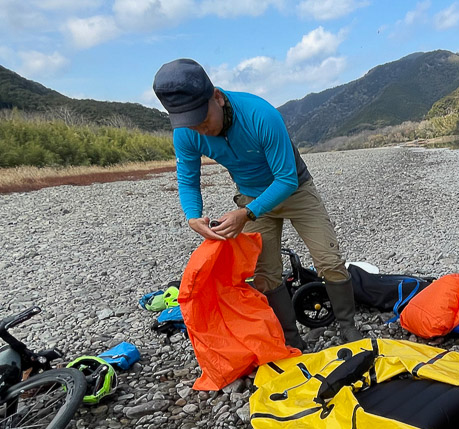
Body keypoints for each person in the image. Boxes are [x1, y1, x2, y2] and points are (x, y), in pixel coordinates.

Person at [152, 58, 362, 348]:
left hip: (296, 190)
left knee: (329, 261)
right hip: (250, 195)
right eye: (190, 124)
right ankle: (291, 340)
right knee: (265, 275)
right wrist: (192, 216)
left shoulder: (260, 115)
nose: (200, 129)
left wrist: (246, 214)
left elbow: (286, 179)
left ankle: (348, 327)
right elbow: (188, 180)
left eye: (203, 119)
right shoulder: (187, 133)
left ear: (218, 98)